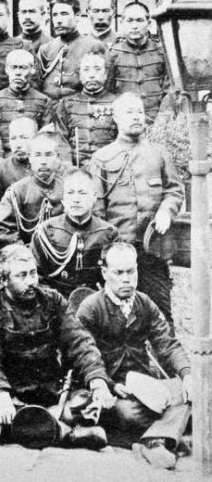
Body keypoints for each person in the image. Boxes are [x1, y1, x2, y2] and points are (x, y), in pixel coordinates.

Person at [0, 245, 115, 450]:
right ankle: (68, 435)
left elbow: (80, 341)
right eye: (21, 276)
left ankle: (46, 426)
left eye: (33, 273)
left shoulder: (53, 300)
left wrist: (97, 380)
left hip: (52, 391)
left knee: (86, 402)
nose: (31, 281)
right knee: (4, 415)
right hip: (13, 396)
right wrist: (0, 396)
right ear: (3, 280)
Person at [77, 242, 192, 469]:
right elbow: (83, 355)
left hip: (146, 384)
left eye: (131, 271)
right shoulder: (90, 307)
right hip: (112, 389)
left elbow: (167, 343)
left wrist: (187, 374)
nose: (126, 279)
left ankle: (152, 442)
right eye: (118, 273)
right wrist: (108, 384)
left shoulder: (144, 303)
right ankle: (164, 436)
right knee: (128, 414)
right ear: (104, 273)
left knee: (190, 392)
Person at [89, 92, 184, 333]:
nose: (136, 117)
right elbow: (97, 208)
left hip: (154, 249)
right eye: (129, 112)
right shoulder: (101, 158)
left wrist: (166, 212)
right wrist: (109, 248)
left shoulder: (159, 153)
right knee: (119, 316)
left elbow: (175, 191)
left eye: (140, 112)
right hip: (119, 251)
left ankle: (168, 367)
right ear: (116, 118)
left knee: (161, 312)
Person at [31, 168, 118, 297]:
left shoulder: (109, 234)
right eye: (70, 193)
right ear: (63, 198)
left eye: (82, 193)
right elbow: (36, 276)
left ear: (94, 196)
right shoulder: (45, 232)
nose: (76, 199)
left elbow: (117, 276)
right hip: (55, 301)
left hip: (98, 300)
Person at [0, 49, 53, 166]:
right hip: (4, 163)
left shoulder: (43, 101)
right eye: (14, 67)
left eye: (23, 67)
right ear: (6, 69)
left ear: (33, 70)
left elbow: (45, 138)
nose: (18, 72)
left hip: (33, 162)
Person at [106, 1, 170, 123]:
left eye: (139, 20)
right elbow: (108, 91)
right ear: (122, 23)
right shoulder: (112, 53)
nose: (134, 26)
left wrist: (163, 116)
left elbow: (170, 89)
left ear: (149, 23)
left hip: (157, 119)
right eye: (130, 20)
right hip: (124, 121)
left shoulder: (162, 52)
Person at [37, 0, 105, 102]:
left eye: (64, 14)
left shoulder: (93, 46)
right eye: (55, 15)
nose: (58, 20)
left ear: (77, 16)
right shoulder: (46, 49)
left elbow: (104, 86)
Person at [55, 52, 118, 167]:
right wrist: (67, 163)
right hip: (76, 168)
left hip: (109, 166)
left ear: (106, 74)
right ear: (80, 75)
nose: (92, 75)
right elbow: (60, 138)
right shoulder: (67, 103)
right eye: (86, 70)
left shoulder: (117, 103)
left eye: (97, 69)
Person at [0, 117, 36, 198]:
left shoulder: (45, 166)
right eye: (13, 138)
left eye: (24, 137)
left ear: (35, 139)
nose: (18, 144)